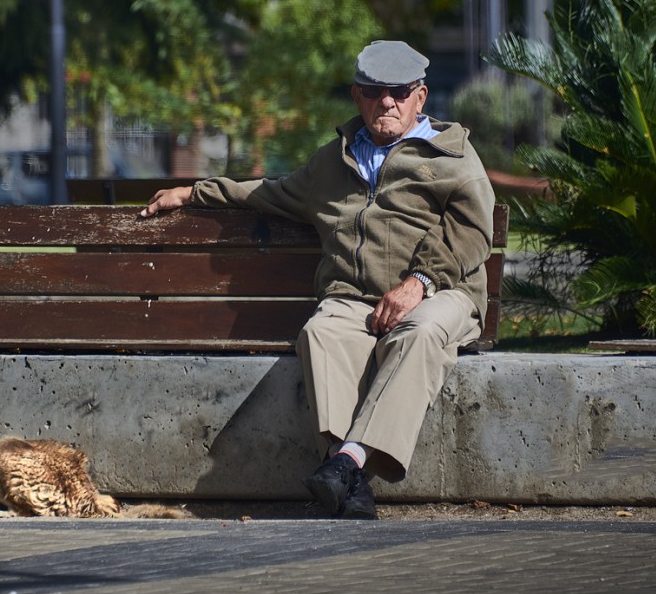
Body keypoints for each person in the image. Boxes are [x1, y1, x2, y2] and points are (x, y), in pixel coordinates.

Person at [140, 40, 495, 519]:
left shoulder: (453, 155)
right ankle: (348, 483)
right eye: (373, 91)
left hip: (440, 292)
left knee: (421, 333)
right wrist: (192, 192)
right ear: (356, 95)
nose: (385, 101)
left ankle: (347, 461)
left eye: (398, 91)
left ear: (420, 97)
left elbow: (474, 230)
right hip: (355, 298)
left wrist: (420, 281)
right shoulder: (332, 162)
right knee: (321, 331)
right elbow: (267, 191)